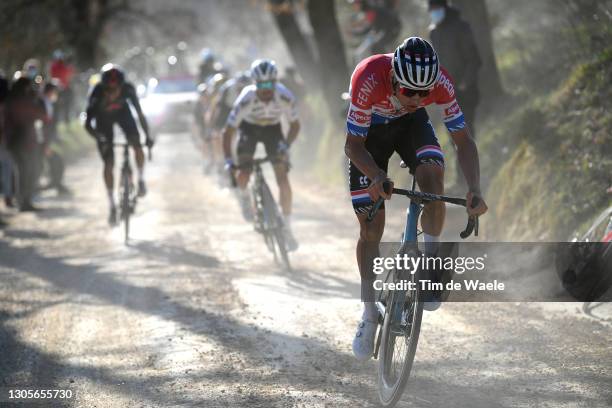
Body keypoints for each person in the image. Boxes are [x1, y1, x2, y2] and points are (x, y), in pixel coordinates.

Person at [344, 37, 488, 360]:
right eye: (410, 92)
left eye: (424, 93)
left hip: (412, 128)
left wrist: (475, 188)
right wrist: (378, 176)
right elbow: (353, 145)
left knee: (433, 185)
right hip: (371, 139)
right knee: (371, 228)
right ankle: (369, 312)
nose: (418, 98)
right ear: (394, 79)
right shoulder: (369, 77)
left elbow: (463, 141)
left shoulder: (440, 84)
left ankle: (430, 263)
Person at [222, 59, 300, 250]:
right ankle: (244, 198)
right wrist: (229, 160)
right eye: (261, 85)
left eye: (270, 84)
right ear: (254, 84)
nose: (266, 90)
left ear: (275, 83)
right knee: (244, 171)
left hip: (273, 130)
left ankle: (287, 228)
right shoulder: (246, 98)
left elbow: (295, 125)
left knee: (282, 177)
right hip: (249, 129)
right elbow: (228, 132)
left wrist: (286, 146)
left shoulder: (285, 96)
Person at [84, 64, 153, 225]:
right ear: (104, 88)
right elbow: (88, 124)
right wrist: (100, 138)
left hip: (124, 115)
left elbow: (140, 113)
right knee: (109, 162)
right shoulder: (96, 93)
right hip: (103, 121)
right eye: (109, 90)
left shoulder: (128, 89)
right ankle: (112, 205)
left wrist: (147, 137)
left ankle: (141, 180)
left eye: (116, 90)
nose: (113, 93)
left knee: (136, 143)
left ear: (122, 87)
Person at [428, 0, 482, 190]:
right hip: (445, 95)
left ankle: (472, 183)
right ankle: (460, 181)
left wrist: (465, 83)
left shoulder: (460, 27)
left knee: (466, 136)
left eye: (436, 8)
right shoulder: (434, 31)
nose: (433, 12)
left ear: (444, 7)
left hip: (465, 93)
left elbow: (474, 58)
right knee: (452, 138)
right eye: (431, 9)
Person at [4, 76, 47, 211]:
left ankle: (21, 200)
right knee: (26, 171)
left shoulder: (10, 100)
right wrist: (37, 100)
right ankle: (24, 202)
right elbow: (42, 115)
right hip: (24, 141)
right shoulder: (24, 101)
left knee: (20, 171)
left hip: (14, 141)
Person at [40, 81, 69, 195]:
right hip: (43, 139)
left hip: (50, 138)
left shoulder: (51, 103)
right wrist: (45, 143)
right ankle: (54, 183)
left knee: (57, 161)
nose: (56, 94)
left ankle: (56, 183)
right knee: (53, 161)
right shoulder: (40, 103)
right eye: (55, 91)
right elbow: (41, 124)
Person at [49, 49, 76, 125]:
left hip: (65, 88)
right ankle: (58, 120)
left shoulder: (64, 66)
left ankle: (66, 119)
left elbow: (70, 74)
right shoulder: (54, 66)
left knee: (67, 103)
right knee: (57, 105)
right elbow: (54, 76)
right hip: (57, 88)